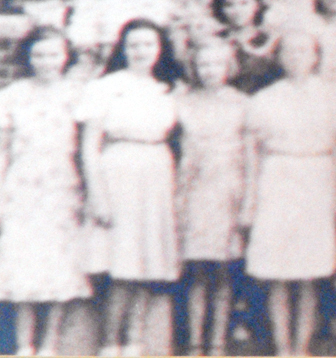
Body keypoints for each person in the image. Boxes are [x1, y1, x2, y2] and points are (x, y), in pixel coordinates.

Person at [77, 19, 184, 357]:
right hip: (117, 172)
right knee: (119, 264)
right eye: (134, 45)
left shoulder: (167, 88)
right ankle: (110, 343)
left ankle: (134, 341)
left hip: (156, 173)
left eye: (149, 44)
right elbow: (89, 146)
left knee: (147, 261)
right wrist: (97, 195)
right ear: (123, 49)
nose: (141, 51)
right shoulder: (105, 87)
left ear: (160, 49)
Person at [243, 30, 336, 356]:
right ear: (278, 57)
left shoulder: (332, 96)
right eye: (289, 51)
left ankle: (302, 347)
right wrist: (251, 199)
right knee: (277, 270)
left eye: (304, 51)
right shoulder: (264, 99)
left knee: (309, 271)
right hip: (277, 178)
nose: (296, 58)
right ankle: (282, 346)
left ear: (316, 57)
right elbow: (252, 154)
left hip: (317, 179)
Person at [0, 28, 92, 356]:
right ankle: (24, 345)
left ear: (66, 56)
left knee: (59, 262)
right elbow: (3, 149)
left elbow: (88, 147)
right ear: (28, 58)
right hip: (22, 185)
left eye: (54, 54)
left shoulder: (77, 94)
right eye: (39, 55)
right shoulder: (13, 94)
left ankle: (49, 344)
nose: (46, 62)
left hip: (62, 186)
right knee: (22, 260)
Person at [175, 40, 252, 356]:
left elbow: (249, 153)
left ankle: (217, 342)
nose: (210, 71)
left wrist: (246, 198)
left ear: (228, 66)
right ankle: (195, 342)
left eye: (217, 64)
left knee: (223, 269)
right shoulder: (183, 102)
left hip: (228, 185)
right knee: (197, 268)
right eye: (203, 64)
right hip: (194, 186)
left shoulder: (242, 103)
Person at [212, 0, 281, 94]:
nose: (237, 10)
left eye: (244, 3)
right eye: (229, 5)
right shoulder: (214, 40)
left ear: (257, 4)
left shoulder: (270, 41)